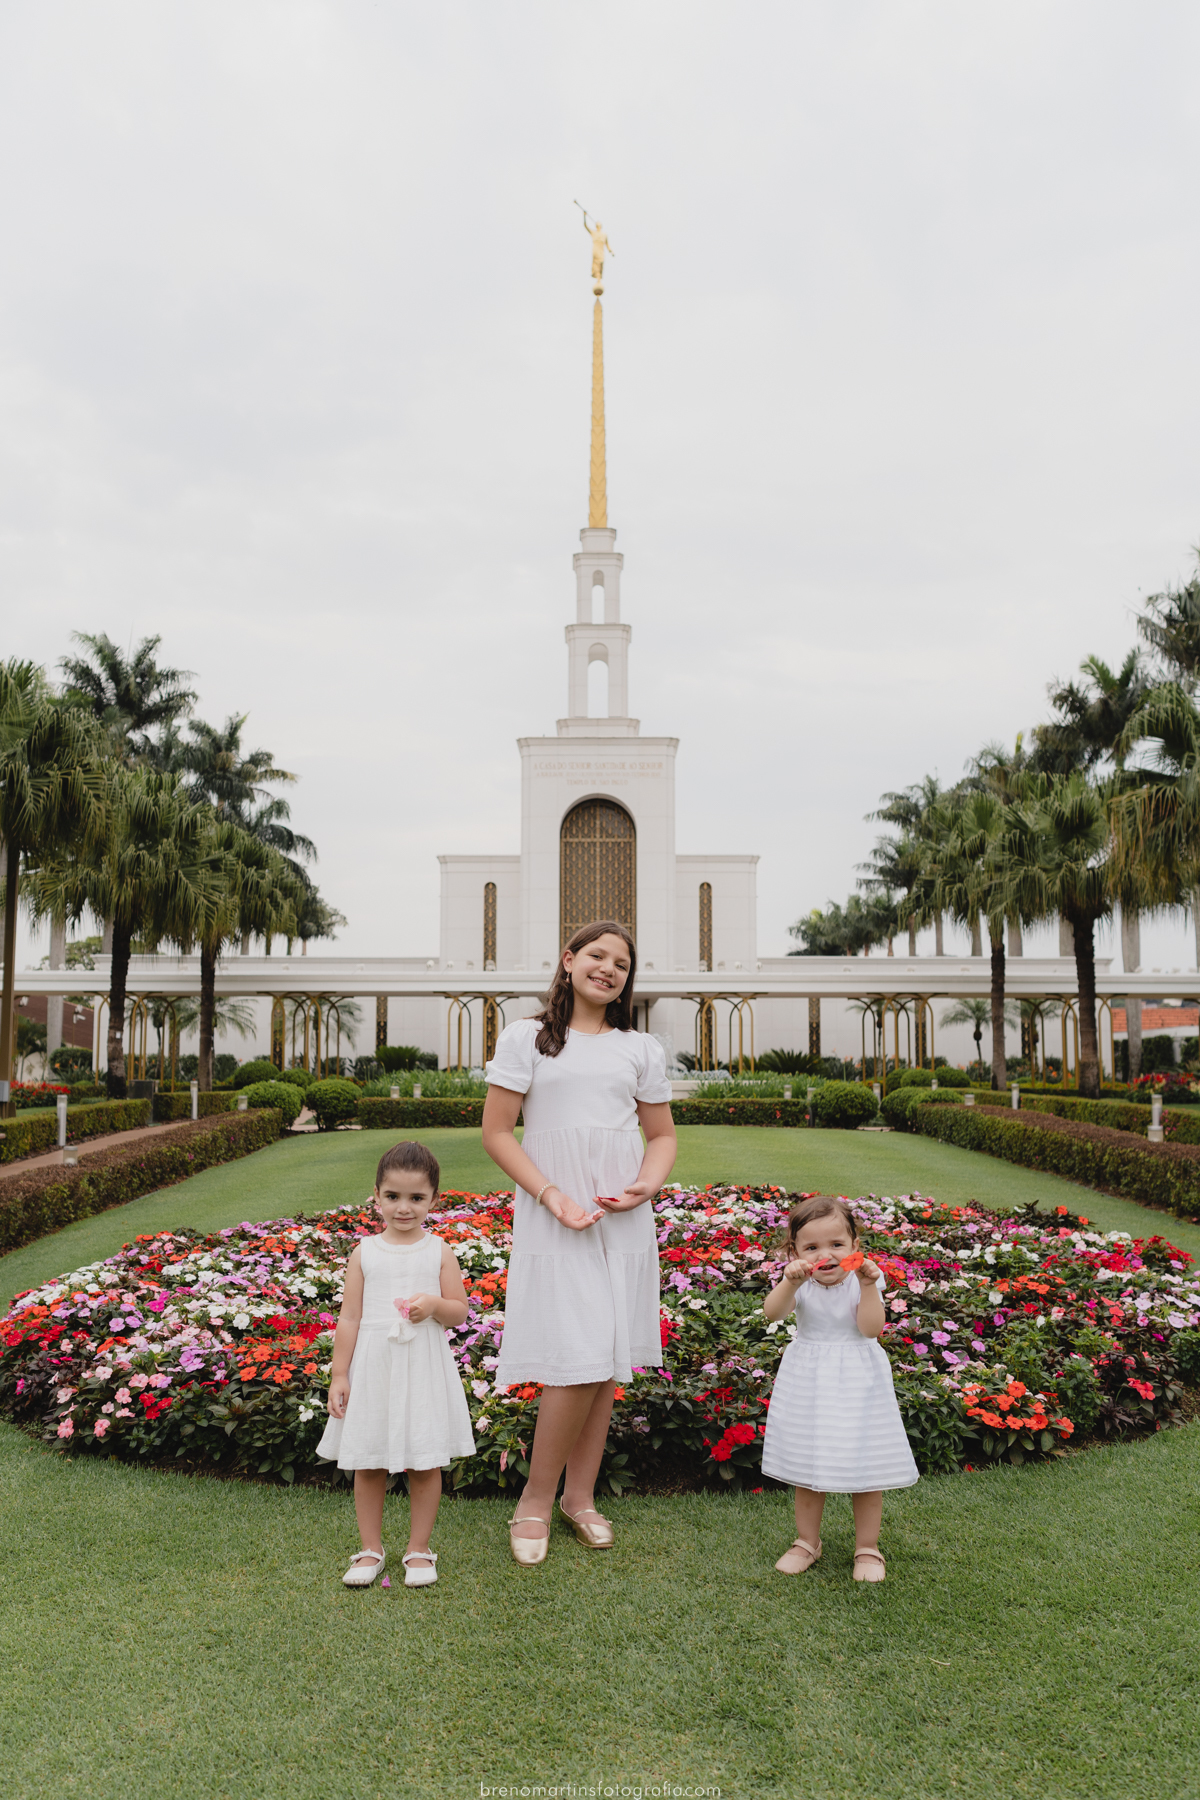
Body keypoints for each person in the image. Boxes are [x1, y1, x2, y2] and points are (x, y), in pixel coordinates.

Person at [481, 920, 677, 1566]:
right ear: (568, 961)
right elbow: (498, 1132)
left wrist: (646, 1185)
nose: (609, 968)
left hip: (620, 1219)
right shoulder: (526, 1038)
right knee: (582, 1354)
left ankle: (580, 1498)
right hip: (555, 1215)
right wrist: (552, 1196)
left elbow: (661, 1136)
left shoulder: (639, 1048)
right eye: (597, 954)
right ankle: (536, 1500)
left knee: (605, 1356)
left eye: (621, 962)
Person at [318, 1140, 475, 1589]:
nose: (403, 1208)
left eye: (416, 1197)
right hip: (374, 1367)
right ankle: (370, 1549)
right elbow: (350, 1317)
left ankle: (419, 1549)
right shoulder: (365, 1253)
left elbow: (459, 1311)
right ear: (376, 1195)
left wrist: (434, 1306)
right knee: (368, 1460)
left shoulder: (439, 1251)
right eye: (392, 1196)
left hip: (422, 1365)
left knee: (424, 1461)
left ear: (434, 1200)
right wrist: (340, 1374)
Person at [760, 1195, 918, 1583]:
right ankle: (806, 1541)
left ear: (854, 1246)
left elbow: (871, 1329)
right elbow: (773, 1313)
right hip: (809, 1380)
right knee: (808, 1464)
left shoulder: (864, 1281)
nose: (825, 1255)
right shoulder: (799, 1283)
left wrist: (867, 1285)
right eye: (812, 1247)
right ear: (795, 1252)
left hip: (858, 1380)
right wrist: (788, 1281)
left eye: (836, 1244)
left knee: (865, 1464)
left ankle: (868, 1547)